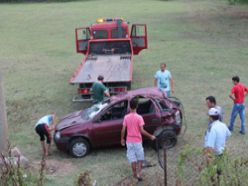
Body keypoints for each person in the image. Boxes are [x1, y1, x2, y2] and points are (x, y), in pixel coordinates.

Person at [121, 99, 156, 181]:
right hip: (137, 141)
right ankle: (139, 174)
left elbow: (123, 129)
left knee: (133, 159)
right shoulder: (139, 117)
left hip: (129, 141)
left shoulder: (126, 117)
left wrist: (122, 139)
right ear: (137, 106)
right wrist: (151, 136)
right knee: (140, 159)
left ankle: (134, 174)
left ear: (129, 107)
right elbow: (142, 130)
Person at [204, 108, 231, 176]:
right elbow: (228, 134)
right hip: (221, 152)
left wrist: (209, 157)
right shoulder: (223, 125)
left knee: (212, 172)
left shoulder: (212, 128)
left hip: (214, 154)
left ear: (210, 117)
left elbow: (210, 146)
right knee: (219, 170)